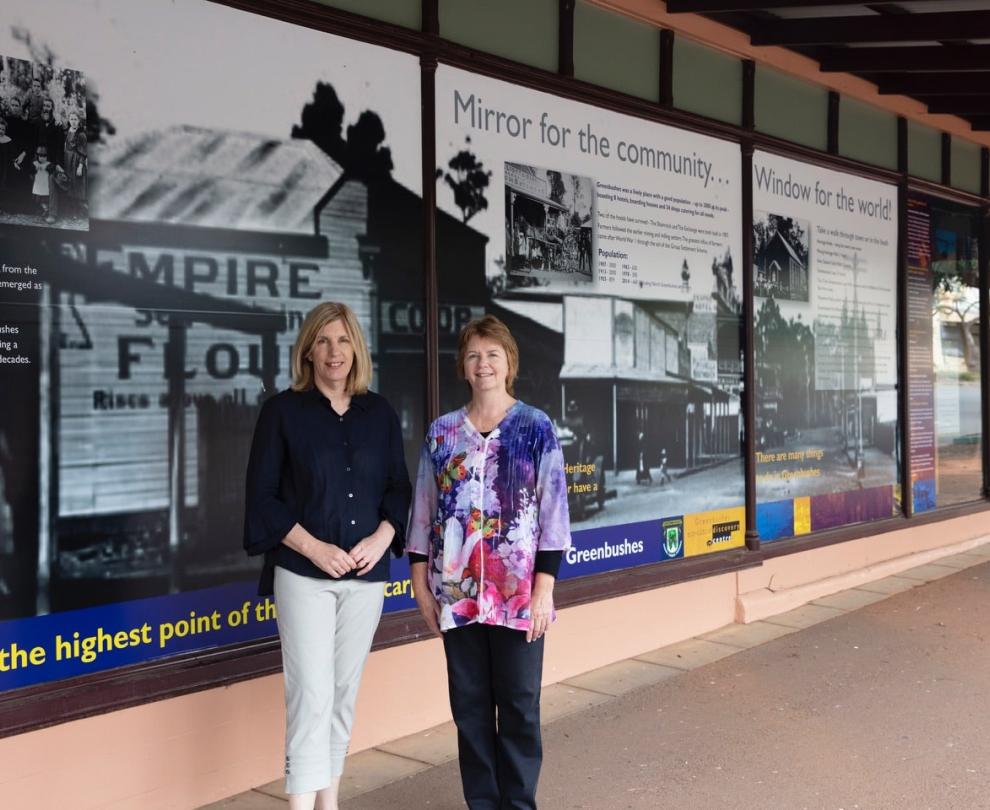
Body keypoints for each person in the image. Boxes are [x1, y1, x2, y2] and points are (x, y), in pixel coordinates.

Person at [243, 301, 411, 810]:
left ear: (356, 348)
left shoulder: (380, 413)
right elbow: (262, 498)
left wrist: (382, 538)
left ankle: (328, 803)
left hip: (366, 577)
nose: (334, 351)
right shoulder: (282, 412)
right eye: (322, 341)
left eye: (342, 341)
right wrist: (315, 548)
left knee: (342, 694)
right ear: (308, 351)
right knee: (310, 696)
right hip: (303, 575)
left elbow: (399, 488)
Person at [408, 314, 571, 810]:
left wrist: (544, 590)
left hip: (518, 598)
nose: (484, 364)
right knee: (471, 709)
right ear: (463, 365)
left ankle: (518, 804)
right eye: (474, 355)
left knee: (520, 708)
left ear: (508, 363)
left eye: (493, 355)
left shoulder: (536, 428)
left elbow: (554, 514)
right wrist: (420, 586)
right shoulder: (441, 435)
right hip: (457, 598)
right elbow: (422, 513)